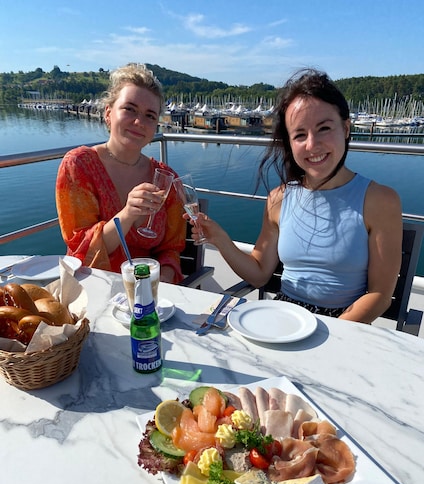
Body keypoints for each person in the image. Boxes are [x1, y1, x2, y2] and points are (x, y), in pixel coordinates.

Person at [190, 69, 403, 323]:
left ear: (346, 128)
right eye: (300, 135)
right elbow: (259, 274)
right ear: (290, 142)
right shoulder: (278, 199)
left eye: (324, 128)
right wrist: (220, 239)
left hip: (344, 323)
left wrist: (331, 332)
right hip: (284, 318)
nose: (312, 144)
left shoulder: (379, 200)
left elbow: (380, 294)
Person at [56, 63, 186, 284]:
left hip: (146, 291)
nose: (139, 122)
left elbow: (171, 249)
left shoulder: (166, 178)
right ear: (108, 113)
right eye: (130, 109)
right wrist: (127, 215)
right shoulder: (79, 165)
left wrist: (160, 284)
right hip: (92, 288)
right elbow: (81, 250)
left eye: (150, 115)